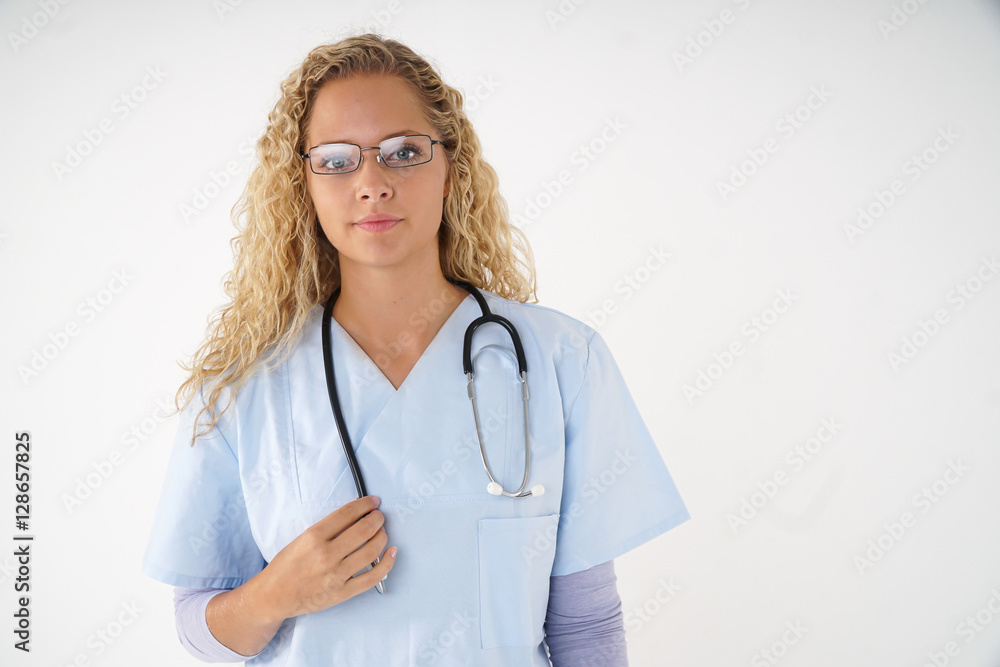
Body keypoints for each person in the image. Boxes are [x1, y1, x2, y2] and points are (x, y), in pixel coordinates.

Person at [141, 33, 690, 666]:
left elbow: (586, 627)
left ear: (450, 168)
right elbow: (198, 629)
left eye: (403, 152)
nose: (372, 183)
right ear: (303, 184)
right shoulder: (242, 388)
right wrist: (275, 594)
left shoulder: (562, 360)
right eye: (337, 160)